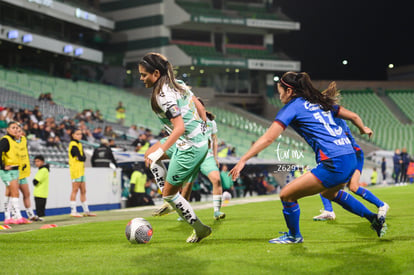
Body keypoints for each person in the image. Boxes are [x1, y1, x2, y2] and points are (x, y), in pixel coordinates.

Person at [229, 72, 387, 244]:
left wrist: (243, 159)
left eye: (280, 90)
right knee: (330, 192)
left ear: (289, 91)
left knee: (286, 195)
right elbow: (354, 116)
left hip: (334, 161)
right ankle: (373, 219)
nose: (279, 95)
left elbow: (268, 138)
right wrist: (363, 128)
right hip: (349, 156)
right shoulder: (320, 102)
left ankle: (294, 236)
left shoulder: (293, 107)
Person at [139, 52, 211, 243]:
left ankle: (200, 229)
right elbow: (199, 106)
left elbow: (180, 128)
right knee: (148, 155)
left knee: (169, 192)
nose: (141, 78)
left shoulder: (164, 95)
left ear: (155, 73)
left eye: (144, 75)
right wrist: (203, 126)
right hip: (192, 139)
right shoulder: (175, 82)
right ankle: (170, 200)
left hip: (190, 146)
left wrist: (161, 152)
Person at [313, 104, 389, 221]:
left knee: (351, 186)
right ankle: (329, 211)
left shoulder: (335, 120)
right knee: (326, 182)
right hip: (346, 155)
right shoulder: (329, 119)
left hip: (354, 154)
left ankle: (381, 205)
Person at [155, 98, 225, 220]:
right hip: (192, 153)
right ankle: (183, 213)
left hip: (206, 156)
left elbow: (214, 140)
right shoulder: (189, 120)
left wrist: (215, 157)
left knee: (216, 179)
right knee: (187, 186)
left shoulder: (211, 123)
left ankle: (217, 211)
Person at [1, 122, 27, 224]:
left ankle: (8, 217)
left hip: (15, 169)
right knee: (15, 192)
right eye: (13, 128)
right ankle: (18, 216)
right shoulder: (5, 140)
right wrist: (2, 166)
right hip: (8, 171)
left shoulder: (14, 141)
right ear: (8, 129)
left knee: (9, 192)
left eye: (17, 128)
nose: (16, 129)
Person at [15, 126, 42, 221]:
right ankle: (14, 216)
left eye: (20, 131)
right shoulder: (10, 142)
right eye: (17, 131)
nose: (20, 133)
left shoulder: (23, 140)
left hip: (22, 172)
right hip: (13, 172)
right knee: (14, 195)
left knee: (26, 193)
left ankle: (30, 215)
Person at [68, 129, 96, 217]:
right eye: (77, 134)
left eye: (80, 134)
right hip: (75, 170)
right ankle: (73, 211)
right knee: (75, 190)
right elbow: (80, 157)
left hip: (81, 170)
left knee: (83, 190)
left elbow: (83, 157)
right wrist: (80, 158)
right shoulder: (72, 145)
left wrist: (80, 157)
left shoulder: (79, 144)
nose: (79, 136)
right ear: (73, 135)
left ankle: (86, 211)